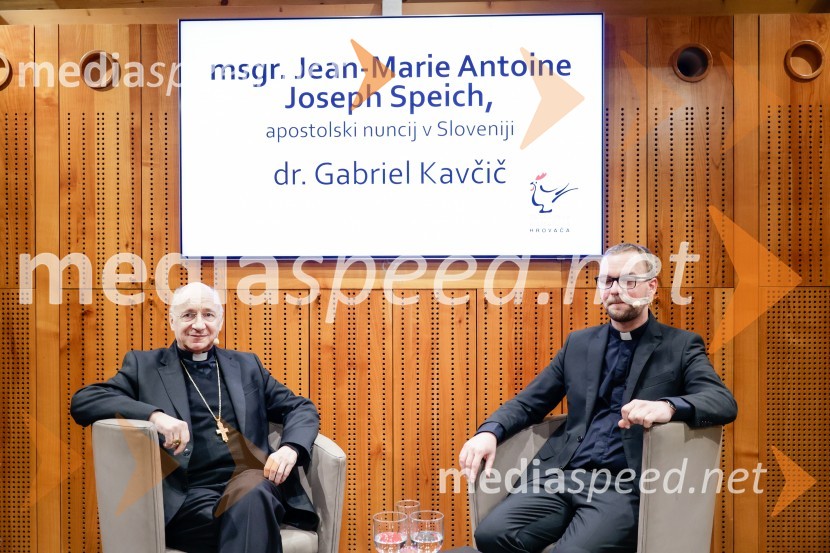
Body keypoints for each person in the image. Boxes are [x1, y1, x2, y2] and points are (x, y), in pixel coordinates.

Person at [458, 243, 737, 553]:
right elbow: (528, 402)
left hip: (622, 486)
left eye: (628, 280)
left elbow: (722, 401)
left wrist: (667, 407)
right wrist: (488, 432)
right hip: (562, 477)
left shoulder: (680, 346)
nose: (615, 290)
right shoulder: (579, 344)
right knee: (490, 535)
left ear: (651, 286)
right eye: (607, 280)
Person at [71, 282, 319, 553]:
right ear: (172, 319)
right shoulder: (145, 367)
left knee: (253, 491)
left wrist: (289, 449)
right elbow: (85, 401)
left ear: (220, 321)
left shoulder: (247, 366)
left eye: (208, 315)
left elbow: (301, 408)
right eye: (188, 314)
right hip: (188, 500)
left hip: (250, 483)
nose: (199, 325)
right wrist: (154, 416)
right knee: (251, 517)